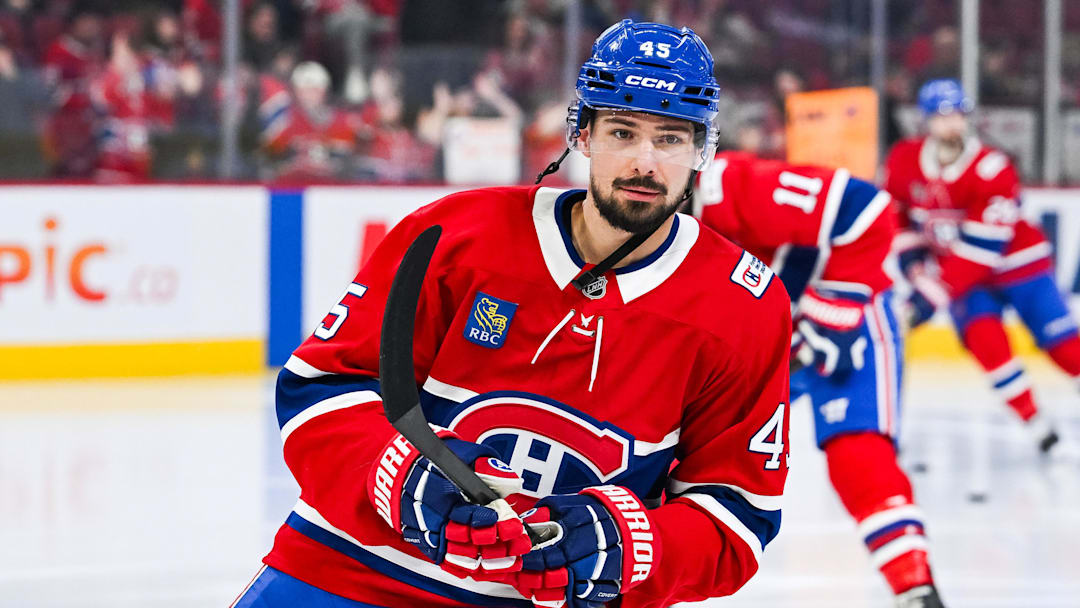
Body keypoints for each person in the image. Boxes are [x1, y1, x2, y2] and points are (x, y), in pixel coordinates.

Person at [233, 19, 792, 608]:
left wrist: (632, 543)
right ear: (582, 134)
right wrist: (398, 474)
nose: (646, 163)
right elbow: (319, 389)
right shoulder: (455, 234)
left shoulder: (743, 310)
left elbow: (736, 518)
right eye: (622, 132)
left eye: (671, 138)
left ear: (703, 148)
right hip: (344, 573)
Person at [695, 151, 946, 608]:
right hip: (766, 338)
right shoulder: (629, 225)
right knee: (688, 457)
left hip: (843, 322)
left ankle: (915, 589)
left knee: (858, 456)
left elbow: (864, 209)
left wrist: (831, 314)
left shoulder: (728, 186)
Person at [883, 78, 1079, 456]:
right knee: (987, 346)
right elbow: (897, 216)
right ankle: (1037, 424)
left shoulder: (992, 168)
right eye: (942, 116)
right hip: (966, 284)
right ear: (925, 120)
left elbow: (980, 251)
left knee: (1065, 347)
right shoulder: (904, 159)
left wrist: (928, 296)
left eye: (957, 114)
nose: (951, 123)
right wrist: (914, 268)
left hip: (1020, 268)